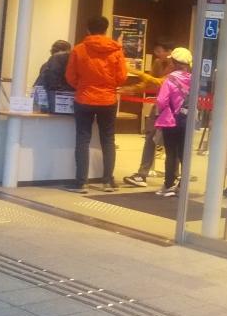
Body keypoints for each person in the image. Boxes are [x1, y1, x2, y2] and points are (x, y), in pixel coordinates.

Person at [65, 16, 127, 193]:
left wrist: (82, 86)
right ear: (106, 30)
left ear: (88, 30)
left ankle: (81, 183)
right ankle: (107, 182)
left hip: (84, 98)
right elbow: (122, 77)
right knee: (108, 140)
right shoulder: (116, 50)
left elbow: (70, 76)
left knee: (82, 138)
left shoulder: (79, 49)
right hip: (108, 100)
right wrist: (108, 86)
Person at [122, 42, 171, 187]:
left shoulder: (178, 65)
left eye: (160, 51)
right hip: (159, 104)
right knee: (150, 137)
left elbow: (160, 82)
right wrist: (134, 88)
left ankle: (173, 178)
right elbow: (151, 82)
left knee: (173, 142)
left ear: (169, 51)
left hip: (173, 108)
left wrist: (136, 72)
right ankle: (142, 174)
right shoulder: (158, 63)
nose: (158, 55)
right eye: (156, 51)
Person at [153, 47, 192, 197]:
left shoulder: (169, 80)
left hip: (171, 120)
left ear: (174, 62)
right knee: (184, 154)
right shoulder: (193, 79)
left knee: (171, 153)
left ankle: (169, 184)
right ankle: (183, 184)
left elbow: (161, 101)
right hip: (187, 120)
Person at [32, 40, 73, 111]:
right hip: (66, 103)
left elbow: (39, 85)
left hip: (46, 101)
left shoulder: (46, 65)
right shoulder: (72, 65)